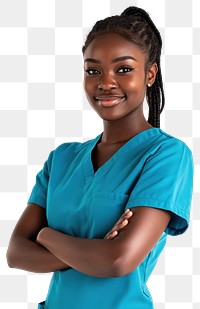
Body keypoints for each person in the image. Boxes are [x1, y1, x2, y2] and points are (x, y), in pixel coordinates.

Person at [7, 6, 193, 309]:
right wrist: (93, 253)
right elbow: (16, 253)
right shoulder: (62, 159)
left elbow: (118, 260)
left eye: (123, 69)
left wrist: (46, 235)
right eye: (93, 70)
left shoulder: (166, 155)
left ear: (150, 73)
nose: (105, 83)